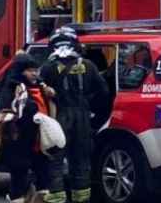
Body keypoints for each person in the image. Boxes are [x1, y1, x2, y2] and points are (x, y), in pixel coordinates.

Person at [39, 27, 110, 203]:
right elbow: (104, 93)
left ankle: (57, 198)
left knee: (55, 160)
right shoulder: (88, 66)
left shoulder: (47, 68)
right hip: (83, 119)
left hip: (58, 120)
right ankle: (81, 199)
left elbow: (37, 95)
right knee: (81, 162)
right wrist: (95, 118)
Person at [0, 53, 64, 203]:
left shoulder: (41, 87)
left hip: (39, 141)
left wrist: (53, 96)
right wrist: (30, 112)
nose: (34, 74)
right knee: (19, 178)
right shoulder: (11, 88)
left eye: (36, 70)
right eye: (30, 70)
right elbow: (5, 113)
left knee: (43, 177)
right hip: (19, 140)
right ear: (20, 71)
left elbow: (53, 105)